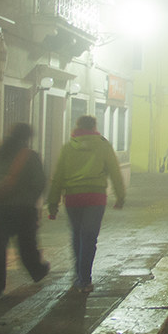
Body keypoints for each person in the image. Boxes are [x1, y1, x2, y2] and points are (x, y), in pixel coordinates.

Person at [47, 115, 126, 293]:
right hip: (95, 198)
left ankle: (78, 275)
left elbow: (58, 176)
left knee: (77, 235)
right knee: (89, 237)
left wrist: (53, 202)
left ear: (77, 126)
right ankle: (85, 278)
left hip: (73, 198)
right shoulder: (103, 145)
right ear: (94, 127)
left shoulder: (68, 147)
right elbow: (114, 171)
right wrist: (120, 196)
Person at [0, 123, 49, 300]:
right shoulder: (29, 156)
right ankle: (37, 270)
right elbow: (39, 182)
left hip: (2, 208)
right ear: (26, 138)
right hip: (24, 209)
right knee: (27, 243)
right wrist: (31, 198)